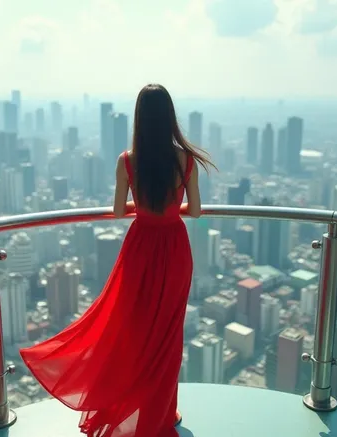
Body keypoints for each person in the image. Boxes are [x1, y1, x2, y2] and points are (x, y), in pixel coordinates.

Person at [19, 84, 216, 437]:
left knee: (132, 329)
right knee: (168, 337)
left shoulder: (127, 161)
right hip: (174, 249)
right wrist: (171, 209)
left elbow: (116, 209)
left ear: (139, 119)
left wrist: (146, 209)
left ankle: (129, 404)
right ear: (170, 117)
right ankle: (165, 411)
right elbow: (197, 211)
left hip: (140, 248)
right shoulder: (186, 160)